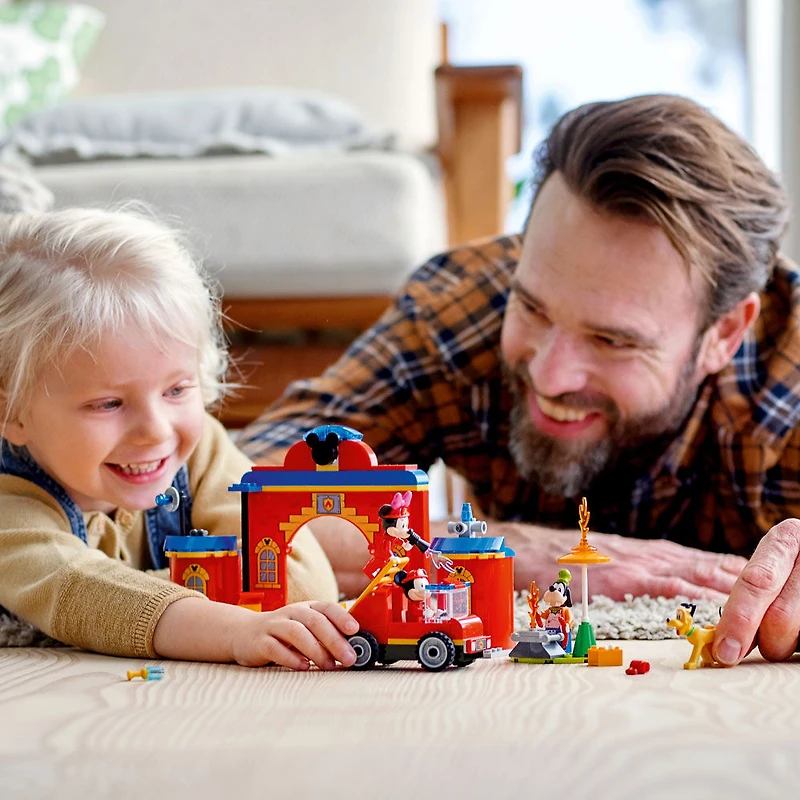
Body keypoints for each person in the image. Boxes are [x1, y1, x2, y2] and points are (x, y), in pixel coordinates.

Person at [239, 93, 800, 666]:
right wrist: (501, 551)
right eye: (531, 307)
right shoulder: (458, 311)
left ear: (725, 333)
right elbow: (224, 490)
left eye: (612, 340)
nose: (550, 376)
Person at [0, 207, 357, 670]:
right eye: (108, 403)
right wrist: (233, 629)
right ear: (11, 413)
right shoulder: (10, 501)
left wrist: (153, 587)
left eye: (176, 390)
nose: (156, 430)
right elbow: (78, 592)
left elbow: (302, 586)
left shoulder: (199, 449)